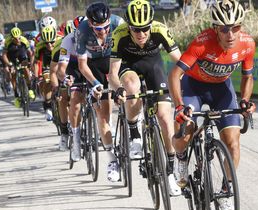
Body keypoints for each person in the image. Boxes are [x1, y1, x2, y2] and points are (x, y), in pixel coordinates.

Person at [168, 0, 256, 210]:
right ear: (216, 28)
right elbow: (174, 75)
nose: (231, 34)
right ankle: (180, 159)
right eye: (225, 29)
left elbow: (248, 76)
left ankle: (226, 193)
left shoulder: (247, 44)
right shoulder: (202, 43)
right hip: (193, 88)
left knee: (233, 144)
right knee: (186, 131)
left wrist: (245, 100)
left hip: (222, 90)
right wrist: (179, 106)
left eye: (236, 27)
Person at [109, 0, 182, 195]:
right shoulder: (119, 35)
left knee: (166, 119)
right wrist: (117, 89)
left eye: (144, 29)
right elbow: (113, 73)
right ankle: (134, 134)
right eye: (135, 29)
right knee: (132, 88)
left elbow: (181, 62)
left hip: (153, 65)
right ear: (128, 27)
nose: (141, 34)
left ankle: (171, 171)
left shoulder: (160, 29)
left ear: (151, 24)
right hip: (128, 66)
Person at [76, 2, 124, 182]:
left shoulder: (118, 23)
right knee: (103, 115)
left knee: (130, 89)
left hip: (115, 60)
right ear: (90, 24)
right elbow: (82, 65)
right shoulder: (82, 30)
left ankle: (135, 125)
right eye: (98, 29)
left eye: (105, 27)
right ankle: (112, 161)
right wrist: (95, 83)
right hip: (94, 65)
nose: (103, 32)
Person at [50, 16, 86, 153]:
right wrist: (56, 87)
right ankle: (64, 132)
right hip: (68, 68)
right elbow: (54, 72)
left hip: (86, 65)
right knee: (63, 97)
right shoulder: (60, 46)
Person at [34, 26, 62, 121]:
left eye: (52, 42)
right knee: (47, 80)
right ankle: (48, 107)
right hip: (47, 63)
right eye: (46, 43)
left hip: (60, 60)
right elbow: (36, 62)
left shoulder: (62, 40)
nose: (49, 46)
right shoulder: (40, 46)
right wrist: (36, 76)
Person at [2, 27, 33, 106]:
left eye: (19, 38)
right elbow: (4, 55)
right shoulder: (7, 42)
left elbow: (30, 53)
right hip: (11, 56)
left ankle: (29, 88)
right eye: (15, 39)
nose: (18, 40)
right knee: (13, 73)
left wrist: (30, 62)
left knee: (26, 69)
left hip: (21, 53)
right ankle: (16, 94)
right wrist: (9, 64)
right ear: (12, 38)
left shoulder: (24, 40)